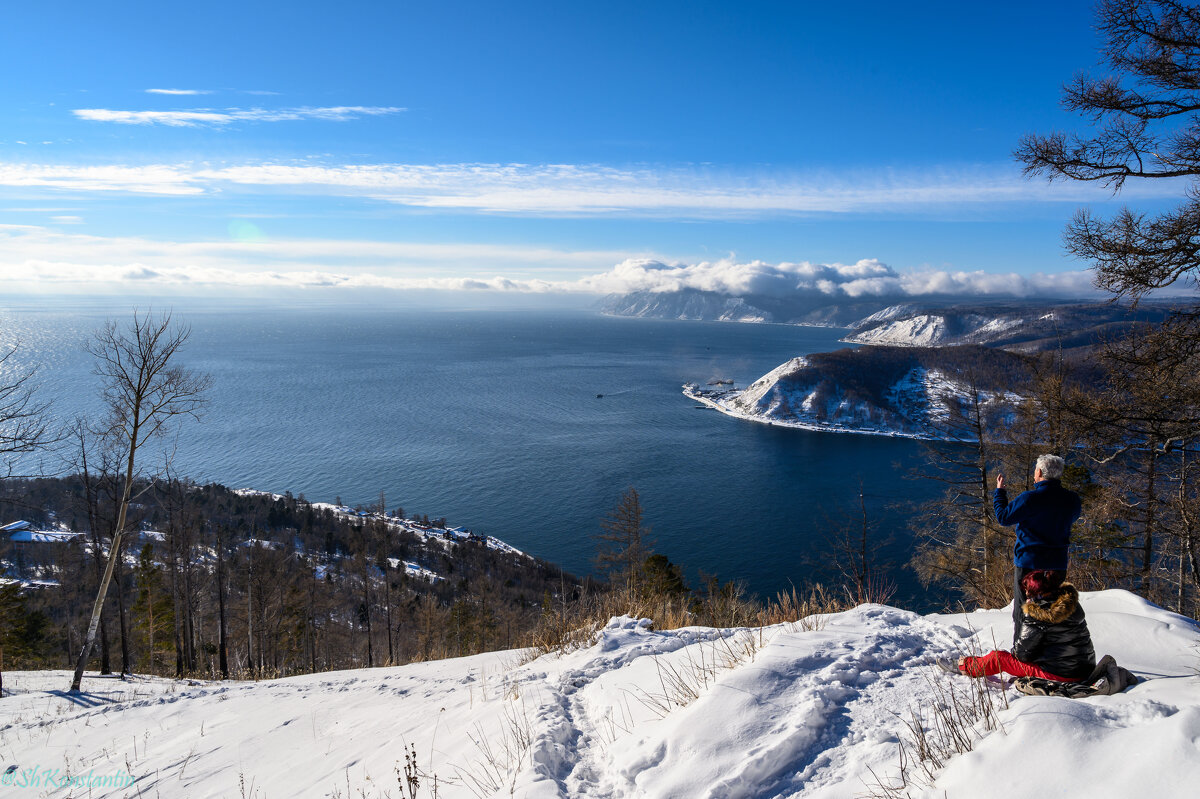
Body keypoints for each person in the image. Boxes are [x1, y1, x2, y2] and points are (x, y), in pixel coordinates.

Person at [994, 454, 1081, 643]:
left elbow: (1003, 517)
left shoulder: (1030, 499)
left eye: (1035, 469)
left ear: (1040, 472)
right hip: (1057, 565)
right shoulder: (1072, 500)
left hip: (1029, 563)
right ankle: (1049, 653)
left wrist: (1000, 492)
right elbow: (1070, 518)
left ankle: (1021, 653)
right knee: (1053, 610)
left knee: (1023, 611)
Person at [954, 569, 1096, 681]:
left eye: (1028, 591)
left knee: (998, 658)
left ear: (1036, 594)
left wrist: (1029, 613)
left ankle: (966, 666)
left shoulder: (1038, 614)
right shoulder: (1071, 605)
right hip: (1085, 669)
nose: (1026, 594)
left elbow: (1022, 655)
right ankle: (976, 662)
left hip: (1060, 674)